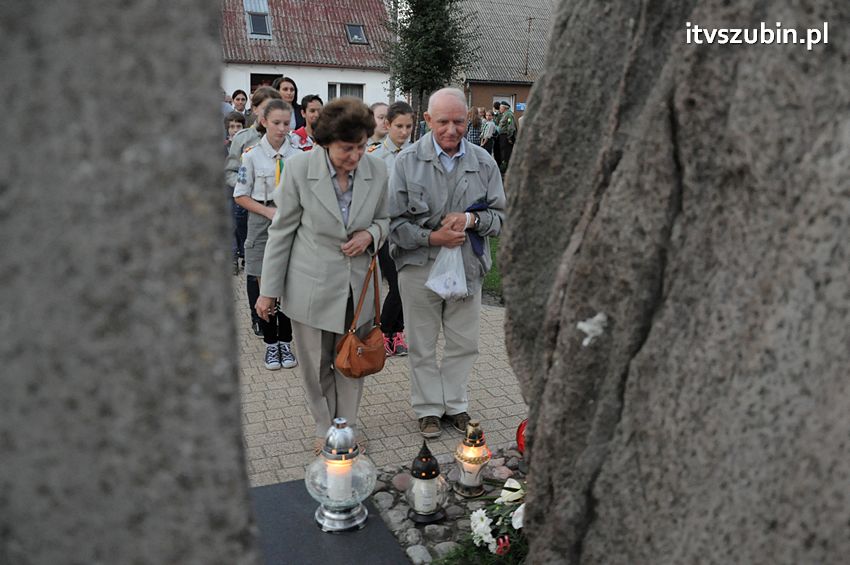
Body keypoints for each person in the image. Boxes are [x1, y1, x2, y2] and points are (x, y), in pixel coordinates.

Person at [256, 97, 389, 448]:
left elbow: (386, 219)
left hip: (357, 287)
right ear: (326, 142)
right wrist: (268, 291)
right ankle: (324, 427)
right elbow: (281, 232)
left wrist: (370, 234)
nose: (356, 156)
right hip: (310, 286)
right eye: (347, 148)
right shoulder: (299, 169)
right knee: (316, 366)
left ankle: (346, 427)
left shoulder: (378, 170)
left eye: (361, 146)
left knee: (352, 359)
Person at [388, 88, 506, 438]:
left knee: (464, 343)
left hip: (468, 265)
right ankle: (428, 409)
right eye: (442, 122)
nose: (451, 130)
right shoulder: (407, 162)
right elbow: (393, 223)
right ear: (427, 120)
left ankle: (454, 405)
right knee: (422, 344)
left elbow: (501, 217)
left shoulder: (483, 162)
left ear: (468, 119)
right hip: (419, 266)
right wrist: (432, 237)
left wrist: (471, 221)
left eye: (458, 121)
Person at [234, 99, 301, 371]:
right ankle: (271, 343)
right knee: (266, 286)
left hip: (292, 221)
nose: (283, 128)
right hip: (262, 221)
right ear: (263, 122)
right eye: (276, 123)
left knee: (289, 285)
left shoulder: (298, 154)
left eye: (287, 123)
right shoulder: (251, 155)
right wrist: (268, 211)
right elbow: (240, 195)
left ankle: (286, 341)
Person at [226, 86, 282, 338]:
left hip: (279, 211)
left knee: (278, 261)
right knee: (255, 264)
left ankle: (277, 312)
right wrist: (246, 189)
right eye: (265, 107)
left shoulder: (285, 138)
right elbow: (230, 172)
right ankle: (256, 316)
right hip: (250, 208)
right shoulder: (244, 138)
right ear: (255, 109)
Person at [367, 101, 415, 357]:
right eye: (399, 126)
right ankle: (383, 332)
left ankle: (397, 333)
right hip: (385, 230)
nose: (404, 132)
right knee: (397, 285)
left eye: (408, 126)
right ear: (387, 125)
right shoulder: (373, 156)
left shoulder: (417, 155)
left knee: (407, 284)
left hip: (412, 230)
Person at [224, 111, 247, 274]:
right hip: (228, 191)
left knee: (243, 223)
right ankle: (232, 256)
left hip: (244, 191)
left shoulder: (248, 147)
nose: (235, 130)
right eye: (232, 126)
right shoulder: (223, 147)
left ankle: (245, 253)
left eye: (238, 126)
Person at [497, 101, 517, 168]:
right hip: (503, 136)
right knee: (503, 152)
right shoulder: (505, 114)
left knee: (506, 153)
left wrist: (509, 137)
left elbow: (510, 126)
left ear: (504, 108)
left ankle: (506, 167)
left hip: (506, 136)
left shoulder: (509, 115)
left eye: (500, 107)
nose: (499, 109)